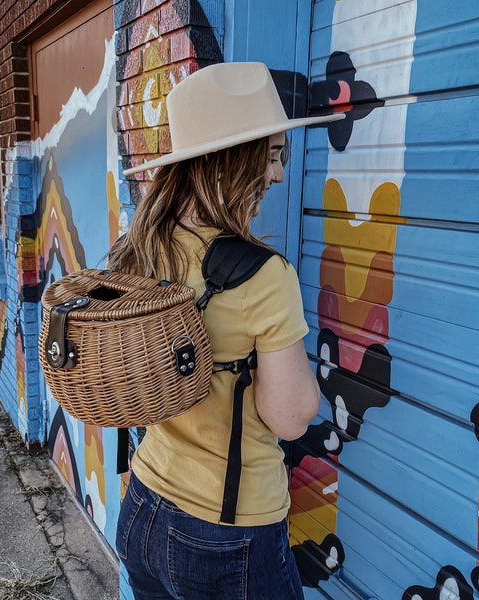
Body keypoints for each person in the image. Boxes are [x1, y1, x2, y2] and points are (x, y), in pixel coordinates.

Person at [110, 61, 342, 600]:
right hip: (225, 534)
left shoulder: (143, 246)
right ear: (234, 160)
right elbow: (289, 418)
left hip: (142, 504)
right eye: (275, 155)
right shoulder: (265, 276)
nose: (280, 174)